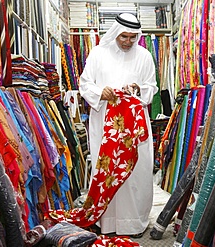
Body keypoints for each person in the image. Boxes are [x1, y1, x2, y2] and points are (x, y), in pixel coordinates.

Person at [79, 13, 158, 237]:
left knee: (136, 172)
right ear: (115, 32)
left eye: (133, 37)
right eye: (124, 36)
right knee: (107, 170)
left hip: (134, 125)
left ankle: (133, 224)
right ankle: (108, 223)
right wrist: (99, 92)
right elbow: (85, 84)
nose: (128, 41)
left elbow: (151, 88)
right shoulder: (98, 54)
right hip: (104, 123)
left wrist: (138, 90)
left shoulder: (144, 56)